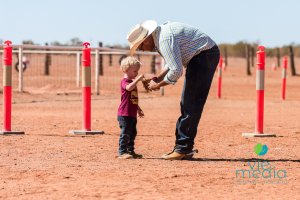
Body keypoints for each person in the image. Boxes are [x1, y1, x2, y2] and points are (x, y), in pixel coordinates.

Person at [127, 20, 220, 160]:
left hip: (204, 55)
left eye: (140, 46)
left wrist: (158, 85)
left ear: (146, 39)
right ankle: (183, 148)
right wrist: (158, 78)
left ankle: (183, 149)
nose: (142, 50)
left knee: (190, 104)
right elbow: (173, 61)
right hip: (203, 54)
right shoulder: (161, 36)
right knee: (188, 103)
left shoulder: (164, 39)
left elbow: (176, 71)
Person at [117, 56, 145, 159]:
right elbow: (128, 88)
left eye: (137, 71)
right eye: (135, 71)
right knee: (126, 133)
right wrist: (137, 80)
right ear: (126, 70)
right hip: (124, 113)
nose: (136, 73)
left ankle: (130, 151)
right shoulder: (125, 82)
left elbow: (132, 98)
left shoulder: (132, 83)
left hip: (131, 113)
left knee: (133, 133)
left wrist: (138, 108)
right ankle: (122, 152)